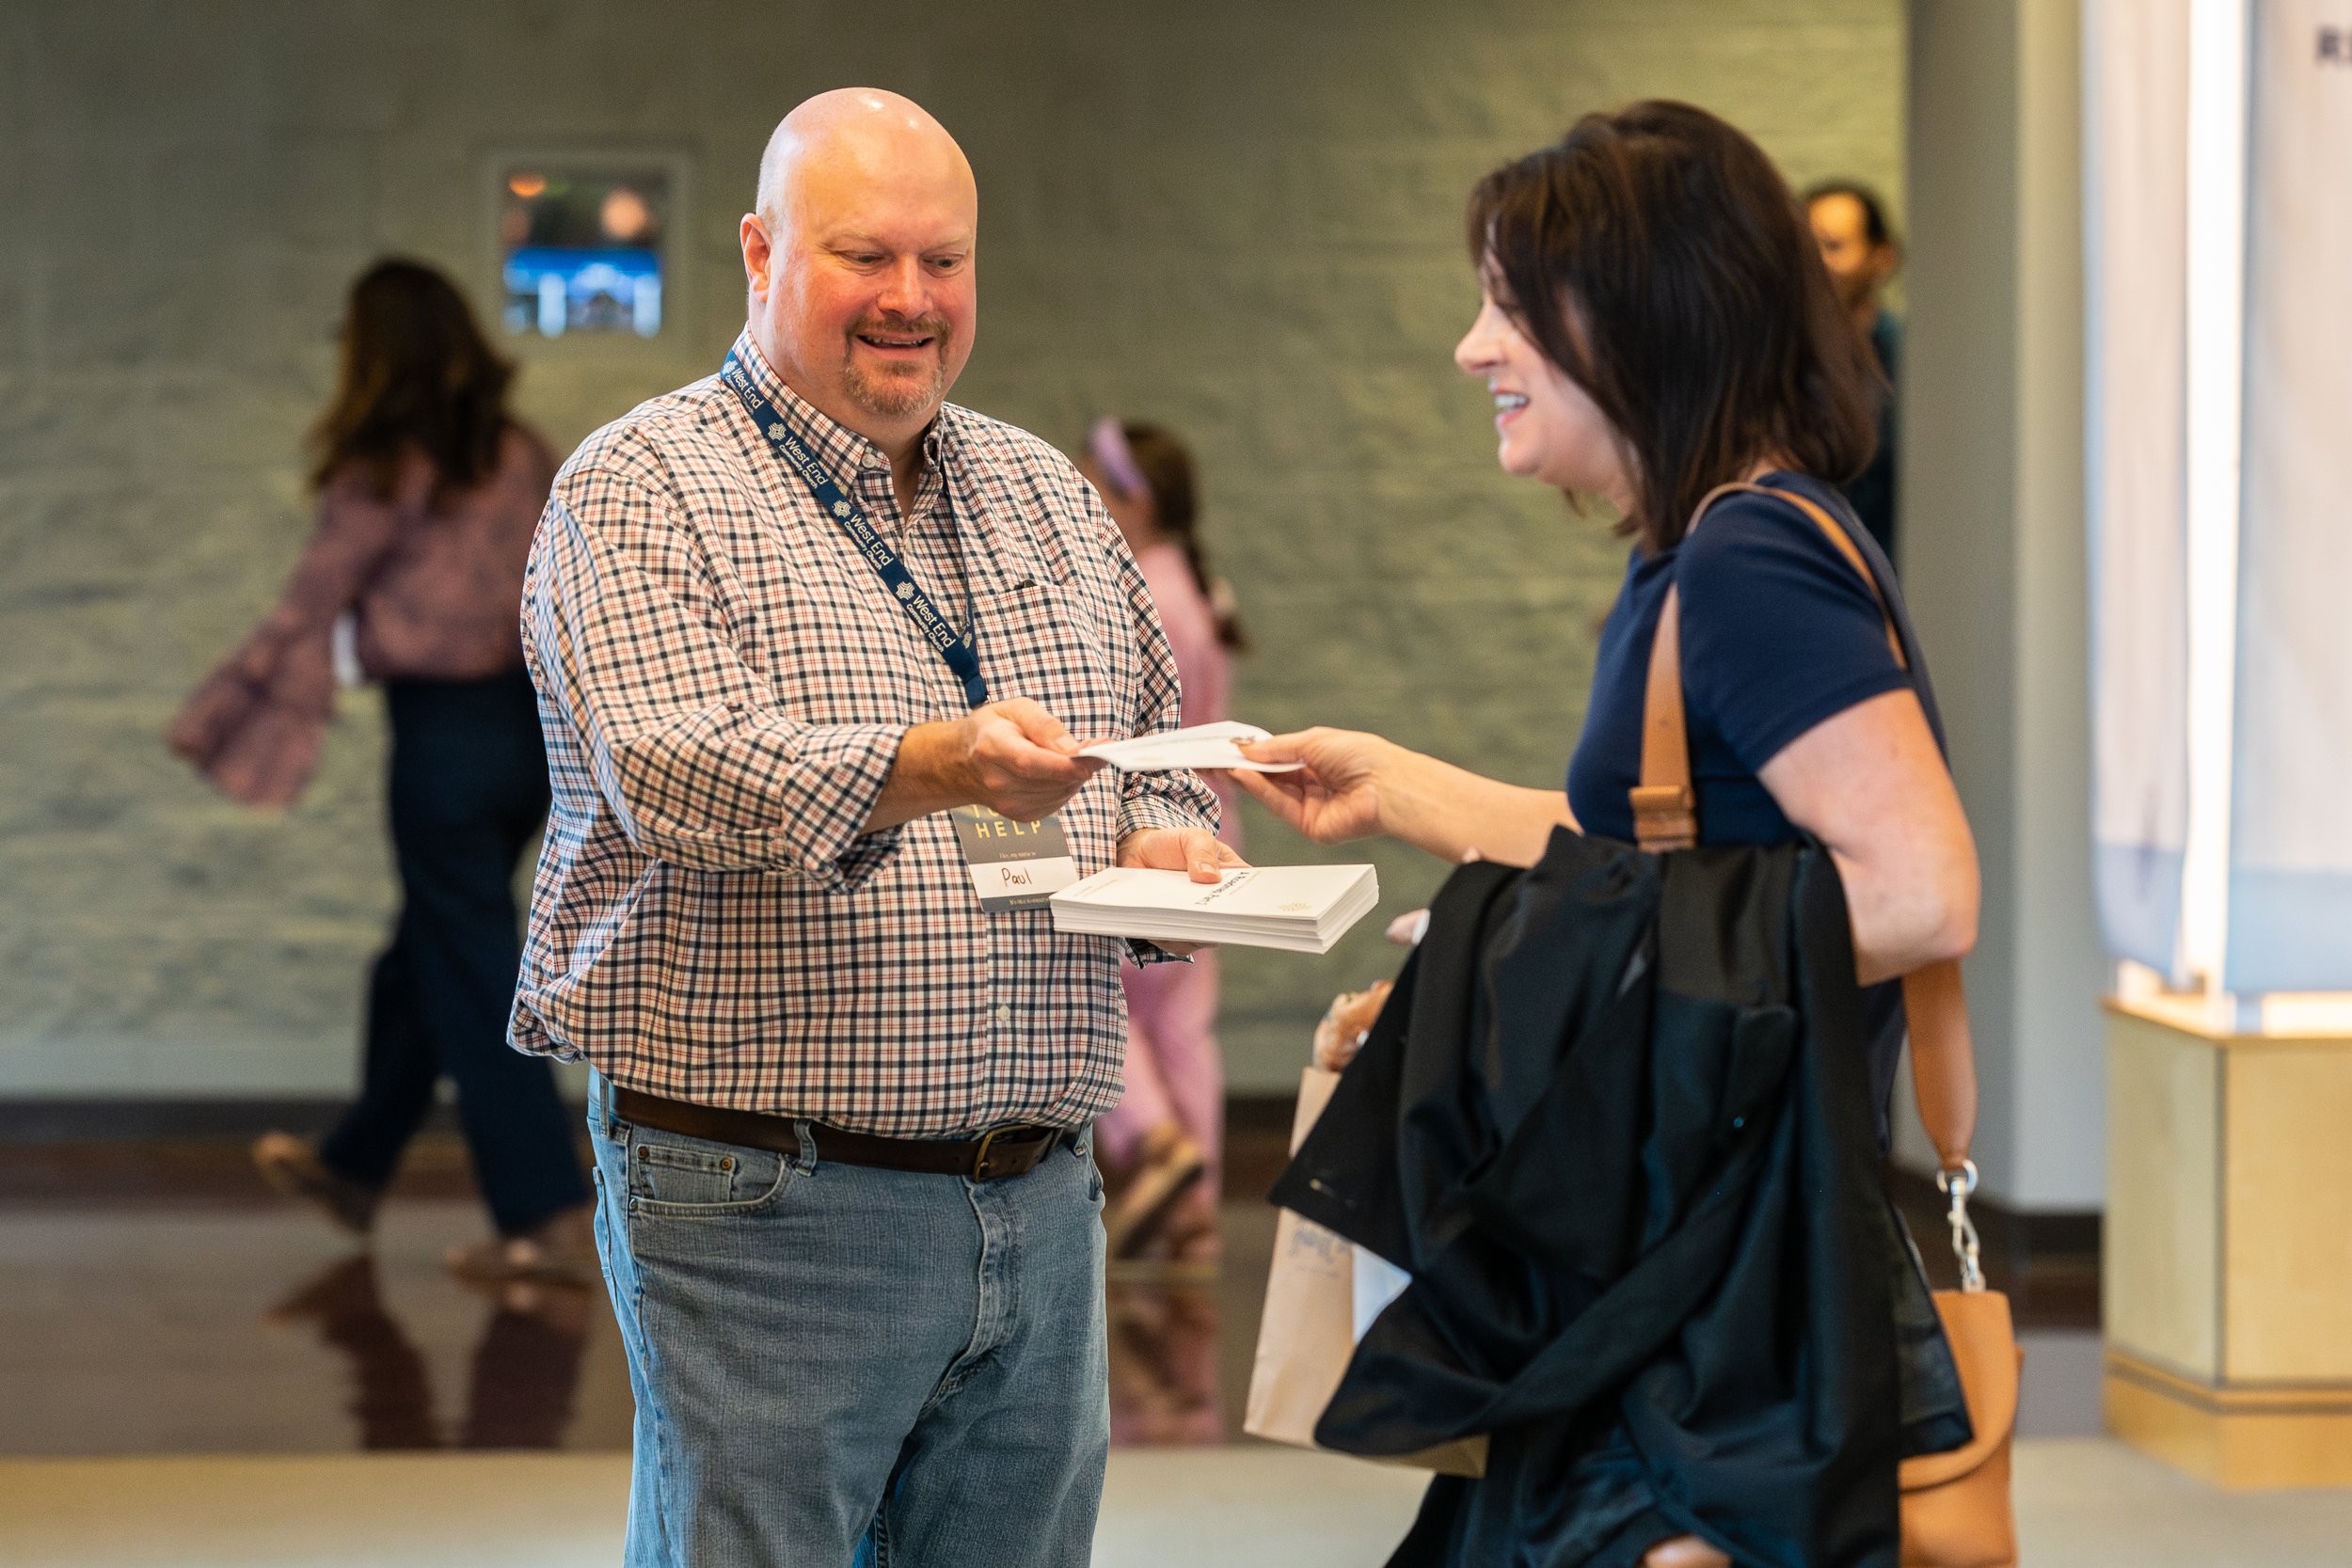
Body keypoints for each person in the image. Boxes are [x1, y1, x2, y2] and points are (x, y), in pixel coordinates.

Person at [1237, 102, 1978, 1567]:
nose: (1472, 348)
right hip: (1675, 1287)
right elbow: (1649, 846)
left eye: (1509, 306)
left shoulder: (1752, 558)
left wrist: (1525, 946)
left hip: (1712, 1325)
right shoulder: (1699, 546)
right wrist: (1404, 792)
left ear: (1641, 318)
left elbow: (1919, 892)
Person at [513, 89, 1232, 1568]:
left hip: (1039, 1199)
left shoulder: (1050, 495)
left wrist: (1164, 845)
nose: (912, 299)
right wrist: (934, 762)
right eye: (864, 255)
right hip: (764, 1202)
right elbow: (678, 768)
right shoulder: (642, 485)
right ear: (760, 251)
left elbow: (1159, 758)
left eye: (944, 260)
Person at [168, 258, 594, 1285]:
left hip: (443, 744)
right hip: (529, 741)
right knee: (426, 954)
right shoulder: (521, 450)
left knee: (471, 968)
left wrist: (217, 711)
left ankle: (540, 1209)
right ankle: (356, 1165)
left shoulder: (383, 465)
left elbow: (308, 602)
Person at [1078, 419, 1247, 1264]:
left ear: (1132, 500)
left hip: (1147, 826)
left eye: (1095, 489)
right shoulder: (1199, 589)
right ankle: (1197, 1209)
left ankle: (1155, 1140)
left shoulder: (1140, 595)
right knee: (1184, 1022)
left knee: (1099, 997)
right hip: (1210, 825)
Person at [1805, 179, 1903, 561]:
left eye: (1833, 246)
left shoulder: (1909, 363)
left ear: (1882, 257)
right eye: (1806, 248)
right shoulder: (1774, 363)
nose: (1817, 264)